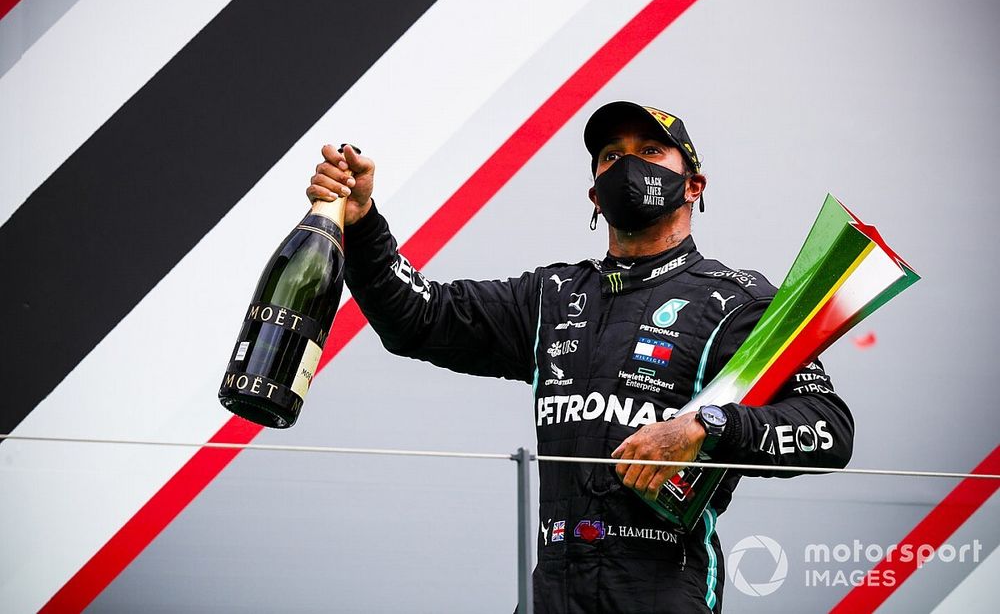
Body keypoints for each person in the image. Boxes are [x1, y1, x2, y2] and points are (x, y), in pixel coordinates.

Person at [307, 102, 854, 613]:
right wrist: (362, 223)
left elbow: (829, 429)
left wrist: (705, 426)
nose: (629, 165)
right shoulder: (551, 296)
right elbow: (417, 318)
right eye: (612, 157)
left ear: (694, 186)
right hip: (553, 588)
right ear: (595, 195)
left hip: (662, 586)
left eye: (650, 151)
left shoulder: (739, 301)